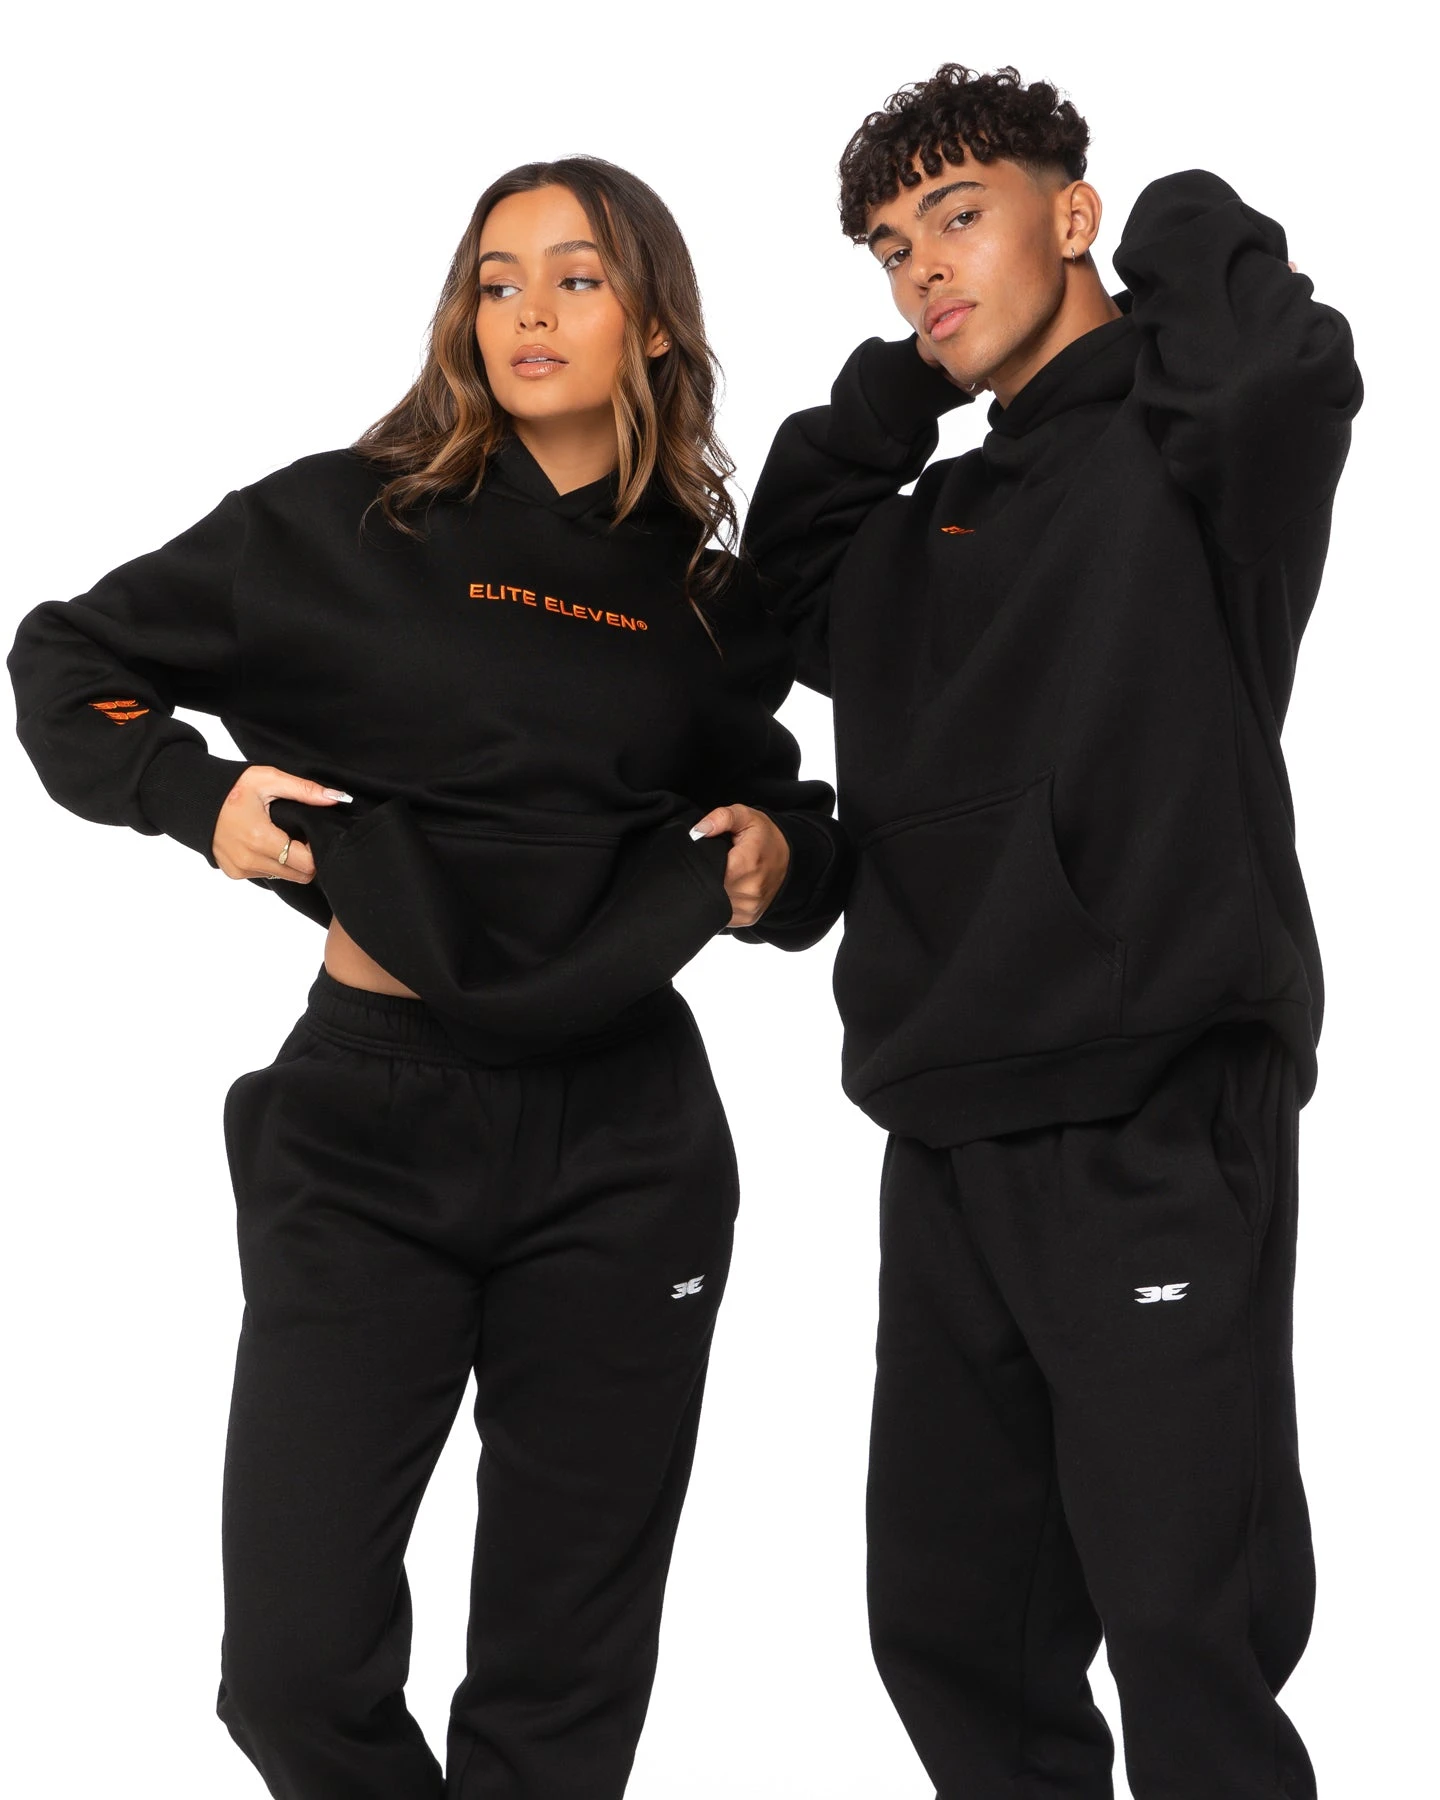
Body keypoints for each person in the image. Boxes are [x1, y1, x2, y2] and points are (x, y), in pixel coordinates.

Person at [9, 156, 848, 1800]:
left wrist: (779, 858)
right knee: (294, 1670)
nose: (528, 310)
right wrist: (192, 796)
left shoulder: (700, 595)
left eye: (578, 277)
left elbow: (786, 814)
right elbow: (69, 655)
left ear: (654, 326)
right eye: (496, 279)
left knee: (563, 1679)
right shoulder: (348, 521)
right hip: (370, 1119)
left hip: (624, 1141)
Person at [744, 63, 1361, 1800]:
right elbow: (765, 605)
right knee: (951, 1630)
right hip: (948, 1126)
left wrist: (1179, 221)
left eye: (961, 216)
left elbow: (1283, 376)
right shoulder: (920, 529)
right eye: (890, 248)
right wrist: (900, 389)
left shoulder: (1195, 459)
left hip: (1156, 1105)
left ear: (1071, 215)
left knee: (1187, 1629)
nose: (923, 269)